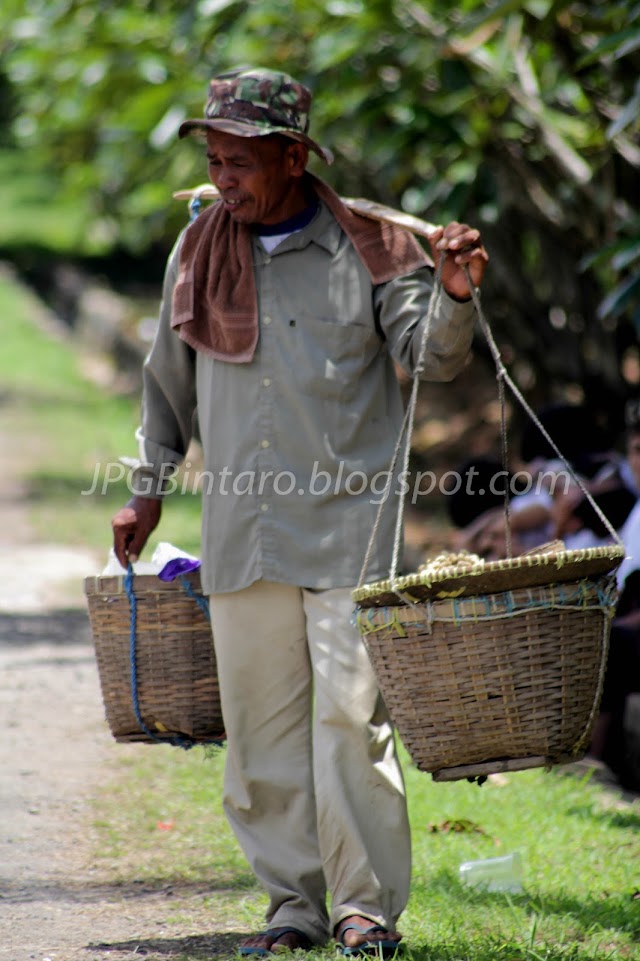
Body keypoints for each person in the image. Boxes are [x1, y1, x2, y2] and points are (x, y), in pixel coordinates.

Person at [111, 67, 488, 956]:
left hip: (351, 522)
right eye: (215, 159)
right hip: (245, 525)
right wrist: (145, 486)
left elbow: (432, 360)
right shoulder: (199, 247)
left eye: (240, 161)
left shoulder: (375, 247)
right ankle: (293, 904)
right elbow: (167, 379)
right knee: (260, 724)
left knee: (352, 718)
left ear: (291, 157)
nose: (224, 177)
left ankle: (363, 907)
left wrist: (456, 292)